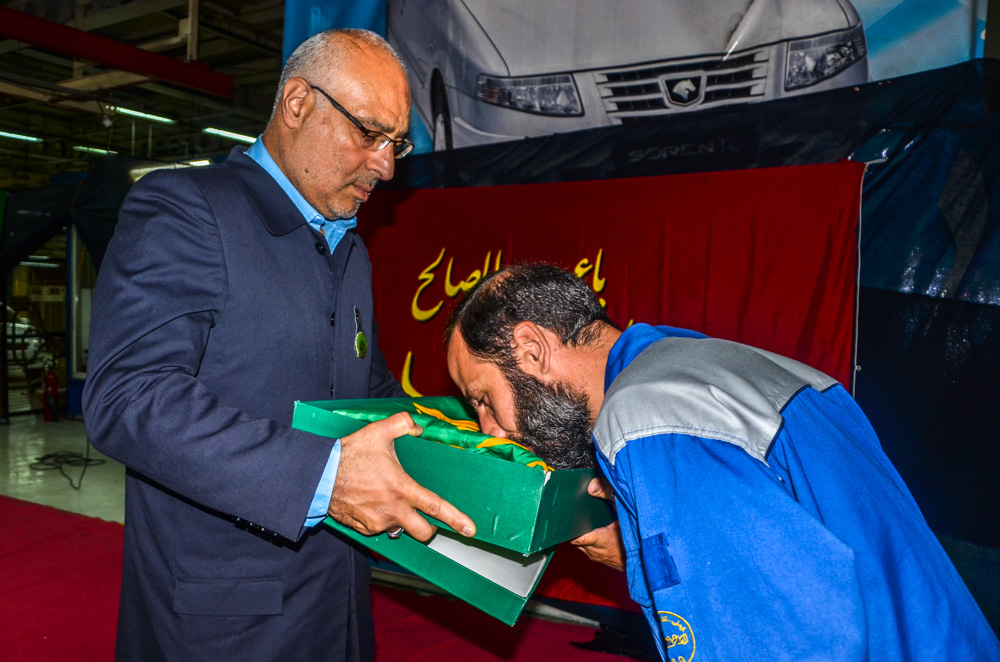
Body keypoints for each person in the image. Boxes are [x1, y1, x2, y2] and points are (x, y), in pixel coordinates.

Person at [83, 29, 474, 661]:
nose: (385, 166)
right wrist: (324, 477)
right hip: (222, 622)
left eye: (396, 144)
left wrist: (482, 446)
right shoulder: (187, 208)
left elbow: (369, 395)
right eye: (368, 133)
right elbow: (129, 398)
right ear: (297, 104)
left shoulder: (350, 248)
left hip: (338, 604)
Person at [445, 263, 1000, 662]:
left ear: (532, 349)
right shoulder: (712, 365)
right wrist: (642, 549)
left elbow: (773, 642)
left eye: (483, 399)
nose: (490, 430)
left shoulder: (646, 419)